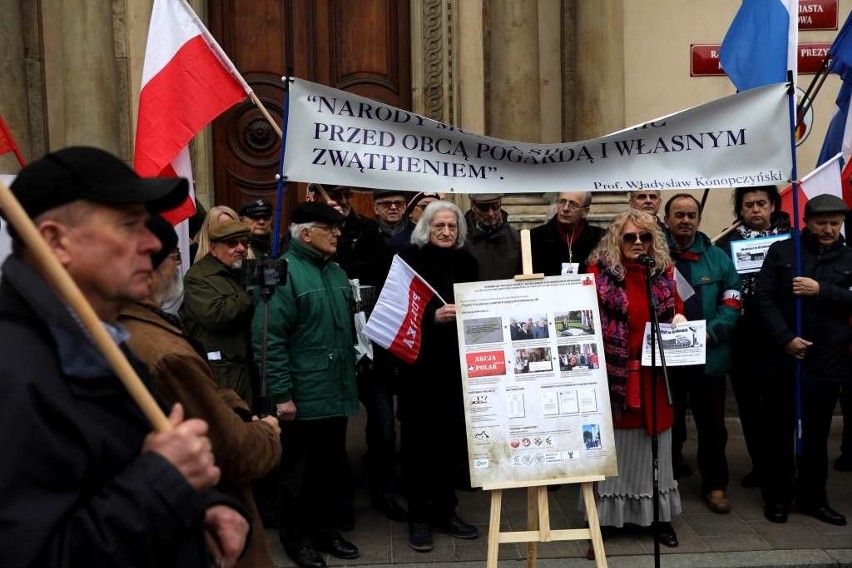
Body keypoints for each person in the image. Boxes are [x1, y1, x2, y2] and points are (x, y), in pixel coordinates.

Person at [0, 146, 250, 567]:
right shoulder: (13, 372)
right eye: (129, 225)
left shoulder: (96, 338)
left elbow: (128, 464)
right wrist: (166, 481)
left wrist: (205, 505)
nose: (152, 243)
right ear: (54, 241)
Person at [119, 215, 282, 568]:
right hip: (204, 514)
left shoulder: (140, 328)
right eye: (175, 258)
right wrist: (264, 431)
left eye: (244, 241)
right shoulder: (167, 350)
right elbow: (232, 450)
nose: (240, 248)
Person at [256, 202, 360, 568]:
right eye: (328, 227)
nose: (337, 233)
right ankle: (297, 540)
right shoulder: (282, 273)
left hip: (336, 389)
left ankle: (326, 531)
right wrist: (281, 395)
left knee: (330, 468)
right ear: (304, 233)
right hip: (303, 395)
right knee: (298, 473)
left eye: (338, 228)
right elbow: (269, 340)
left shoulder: (334, 272)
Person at [584, 208, 684, 547]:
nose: (638, 243)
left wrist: (680, 319)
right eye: (630, 237)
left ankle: (657, 518)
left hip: (655, 376)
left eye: (645, 236)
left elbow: (678, 308)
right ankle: (609, 521)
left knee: (655, 447)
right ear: (617, 239)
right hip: (613, 376)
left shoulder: (665, 272)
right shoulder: (597, 274)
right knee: (617, 452)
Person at [756, 193, 852, 526]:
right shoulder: (784, 251)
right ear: (807, 222)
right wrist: (785, 339)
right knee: (780, 431)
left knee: (816, 434)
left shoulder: (849, 256)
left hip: (826, 359)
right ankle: (778, 496)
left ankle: (814, 497)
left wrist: (821, 290)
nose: (828, 229)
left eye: (835, 223)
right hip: (785, 358)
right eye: (821, 222)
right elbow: (764, 298)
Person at [397, 200, 480, 552]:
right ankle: (419, 517)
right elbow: (397, 317)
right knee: (418, 447)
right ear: (426, 229)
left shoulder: (467, 261)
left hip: (456, 370)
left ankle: (446, 511)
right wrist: (432, 319)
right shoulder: (408, 264)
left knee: (449, 445)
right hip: (419, 370)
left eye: (451, 226)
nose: (446, 232)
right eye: (438, 226)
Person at [322, 184, 406, 523]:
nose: (341, 203)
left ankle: (385, 493)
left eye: (345, 196)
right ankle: (341, 501)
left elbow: (379, 269)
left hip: (372, 345)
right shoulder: (308, 233)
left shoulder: (368, 229)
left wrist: (344, 266)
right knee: (333, 433)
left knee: (384, 425)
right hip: (333, 347)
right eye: (334, 197)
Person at [664, 194, 741, 514]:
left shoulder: (718, 258)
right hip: (668, 359)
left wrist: (711, 333)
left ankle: (715, 485)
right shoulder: (654, 257)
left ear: (698, 219)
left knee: (712, 427)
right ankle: (666, 485)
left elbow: (733, 299)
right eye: (679, 214)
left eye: (691, 214)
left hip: (710, 357)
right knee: (670, 426)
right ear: (667, 220)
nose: (685, 220)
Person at [716, 185, 791, 488]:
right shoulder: (726, 242)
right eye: (749, 205)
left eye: (761, 203)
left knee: (778, 406)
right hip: (742, 334)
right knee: (748, 405)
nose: (755, 210)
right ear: (741, 210)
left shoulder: (791, 240)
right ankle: (759, 464)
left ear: (773, 205)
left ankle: (781, 466)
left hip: (779, 334)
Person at [181, 220, 257, 403]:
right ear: (213, 248)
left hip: (251, 369)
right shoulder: (198, 277)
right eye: (232, 244)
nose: (240, 248)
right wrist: (252, 293)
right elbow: (217, 315)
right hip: (223, 374)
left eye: (244, 243)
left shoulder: (247, 271)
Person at [530, 191, 605, 275]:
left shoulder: (601, 239)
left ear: (585, 211)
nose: (565, 208)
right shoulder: (534, 237)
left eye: (573, 205)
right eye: (562, 202)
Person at [464, 193, 522, 280]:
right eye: (484, 208)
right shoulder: (461, 238)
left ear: (500, 205)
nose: (490, 213)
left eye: (495, 207)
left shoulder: (515, 238)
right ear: (473, 207)